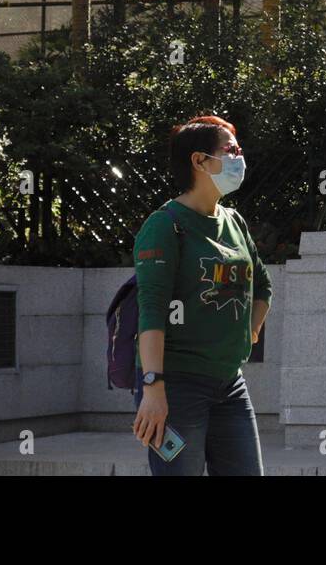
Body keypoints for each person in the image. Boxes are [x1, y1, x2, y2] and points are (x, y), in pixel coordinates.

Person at [130, 114, 273, 475]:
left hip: (230, 384)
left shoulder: (234, 222)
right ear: (199, 161)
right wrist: (153, 388)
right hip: (176, 387)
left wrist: (246, 334)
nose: (239, 158)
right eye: (231, 150)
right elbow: (151, 311)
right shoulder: (165, 226)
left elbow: (263, 288)